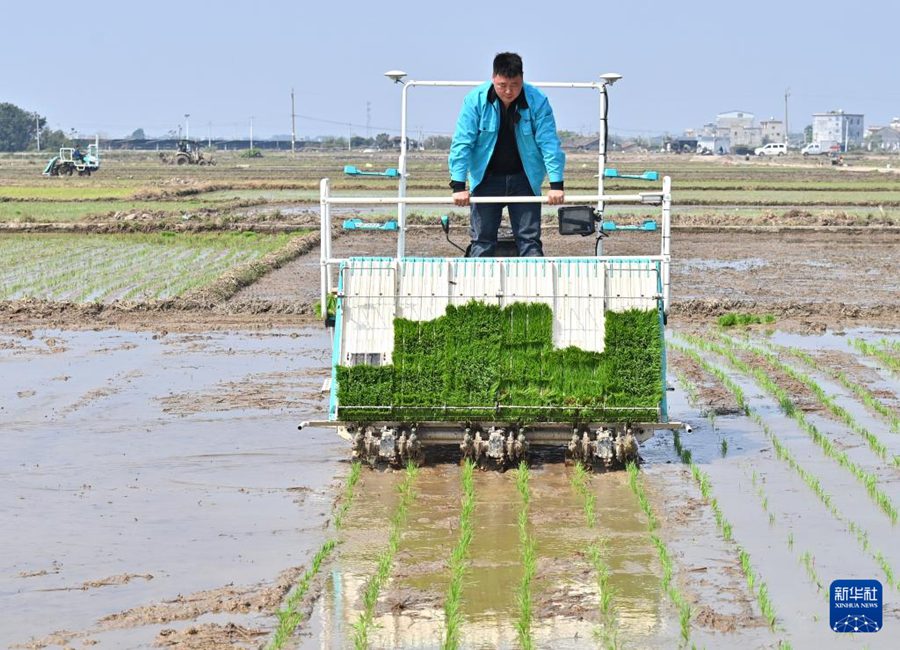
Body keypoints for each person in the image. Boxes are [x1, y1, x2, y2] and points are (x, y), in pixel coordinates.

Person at [448, 52, 565, 257]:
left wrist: (556, 185)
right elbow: (462, 143)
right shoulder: (475, 101)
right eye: (502, 85)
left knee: (530, 241)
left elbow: (549, 143)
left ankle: (534, 287)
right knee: (482, 241)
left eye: (515, 84)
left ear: (522, 78)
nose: (509, 91)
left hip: (524, 178)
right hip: (486, 178)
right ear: (493, 78)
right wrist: (458, 186)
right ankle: (478, 287)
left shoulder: (538, 101)